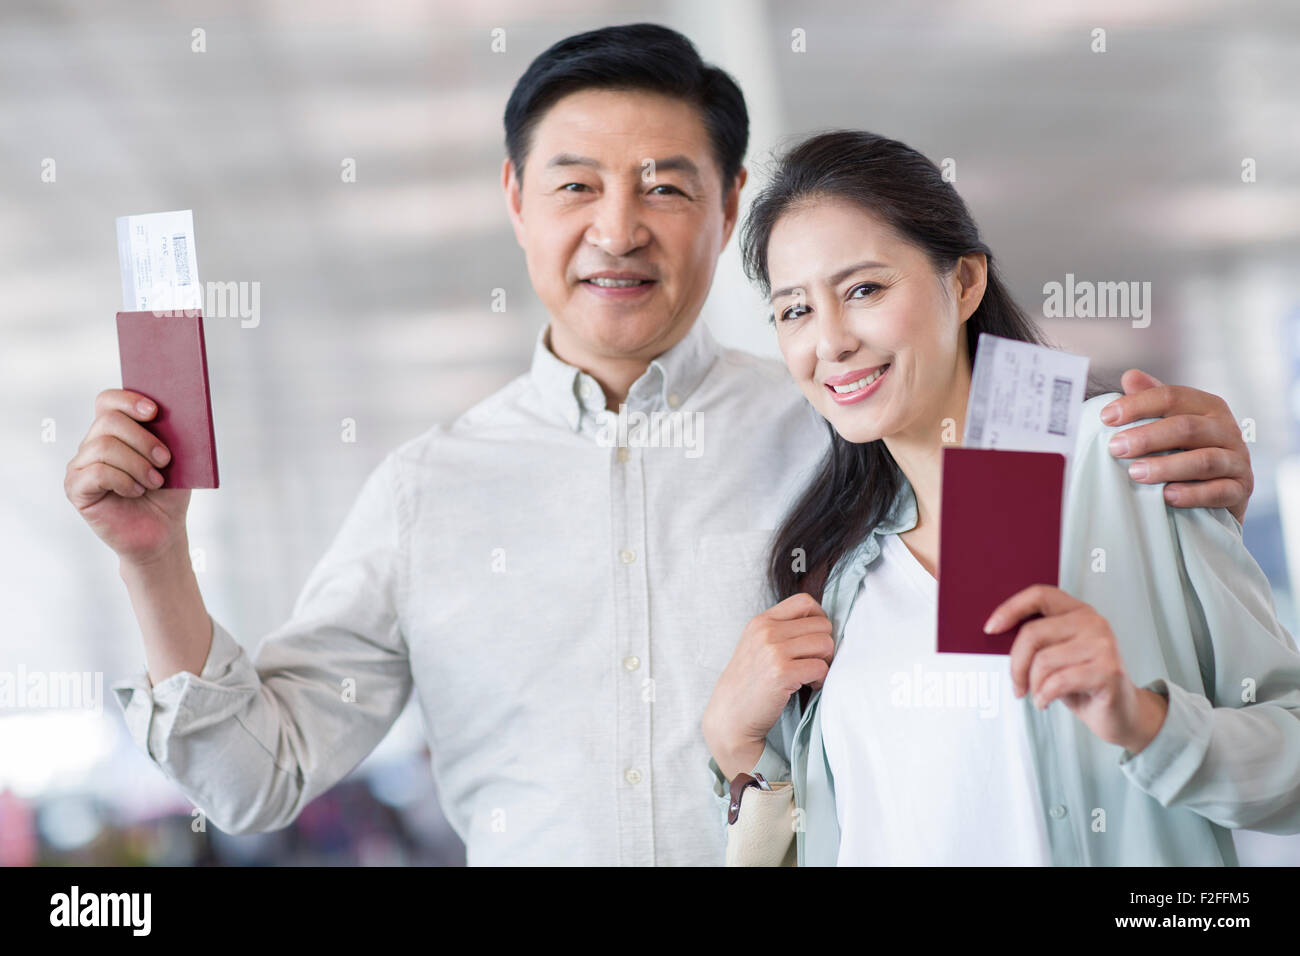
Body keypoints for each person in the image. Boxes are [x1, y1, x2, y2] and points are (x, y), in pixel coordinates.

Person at [65, 24, 1256, 866]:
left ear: (731, 207)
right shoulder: (425, 493)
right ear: (515, 201)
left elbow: (1048, 669)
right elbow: (251, 779)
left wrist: (1180, 451)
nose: (618, 228)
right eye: (575, 184)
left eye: (667, 187)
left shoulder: (846, 420)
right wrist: (153, 560)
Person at [702, 129, 1300, 866]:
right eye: (794, 310)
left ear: (964, 284)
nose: (830, 342)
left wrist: (1144, 721)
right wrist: (736, 749)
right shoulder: (833, 570)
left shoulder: (1117, 464)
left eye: (864, 289)